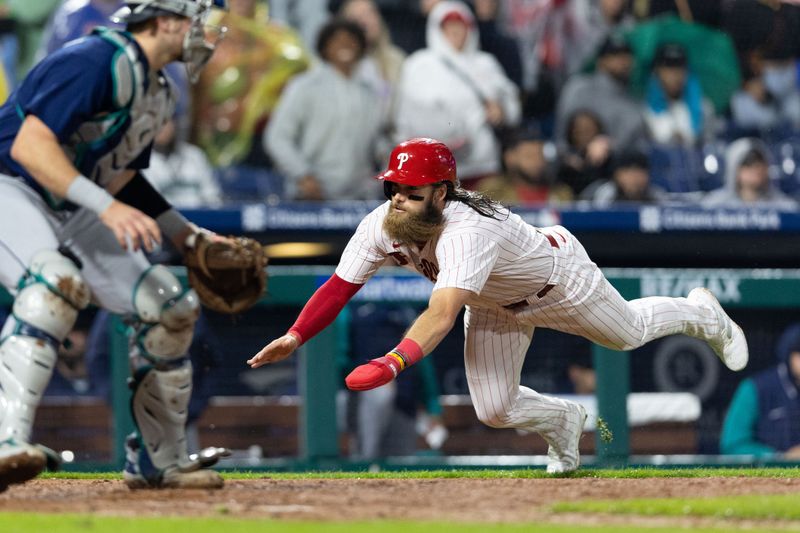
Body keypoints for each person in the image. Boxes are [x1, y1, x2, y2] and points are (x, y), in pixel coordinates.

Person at [248, 137, 750, 474]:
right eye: (393, 187)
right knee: (493, 409)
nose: (397, 197)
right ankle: (563, 422)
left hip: (557, 281)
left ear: (441, 192)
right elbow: (339, 286)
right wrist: (296, 335)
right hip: (491, 302)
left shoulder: (467, 230)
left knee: (629, 333)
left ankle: (702, 313)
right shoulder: (383, 222)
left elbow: (441, 313)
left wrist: (392, 360)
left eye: (411, 190)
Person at [0, 0, 233, 492]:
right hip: (12, 184)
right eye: (198, 22)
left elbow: (122, 177)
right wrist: (104, 207)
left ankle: (158, 460)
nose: (206, 34)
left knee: (169, 307)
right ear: (167, 20)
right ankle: (6, 440)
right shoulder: (93, 58)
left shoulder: (158, 90)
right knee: (52, 286)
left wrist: (184, 233)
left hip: (71, 198)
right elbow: (30, 146)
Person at [393, 0, 520, 187]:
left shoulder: (486, 63)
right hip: (434, 166)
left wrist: (502, 110)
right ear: (436, 28)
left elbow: (512, 104)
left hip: (481, 164)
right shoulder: (419, 65)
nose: (456, 31)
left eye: (461, 25)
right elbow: (407, 115)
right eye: (448, 25)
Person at [264, 18, 384, 201]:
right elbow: (277, 137)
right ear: (324, 47)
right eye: (337, 40)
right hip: (310, 196)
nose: (345, 44)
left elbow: (377, 143)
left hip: (358, 197)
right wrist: (303, 175)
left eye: (352, 39)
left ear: (361, 48)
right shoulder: (305, 86)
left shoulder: (368, 92)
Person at [720, 323, 800, 459]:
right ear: (789, 355)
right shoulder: (755, 388)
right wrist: (780, 458)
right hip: (770, 477)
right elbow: (733, 444)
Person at [702, 138, 797, 209]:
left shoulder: (785, 207)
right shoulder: (714, 206)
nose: (756, 168)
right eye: (748, 163)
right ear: (734, 169)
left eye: (761, 162)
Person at [582, 149, 668, 206]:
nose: (635, 177)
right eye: (629, 171)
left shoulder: (656, 196)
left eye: (641, 171)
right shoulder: (603, 194)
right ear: (617, 174)